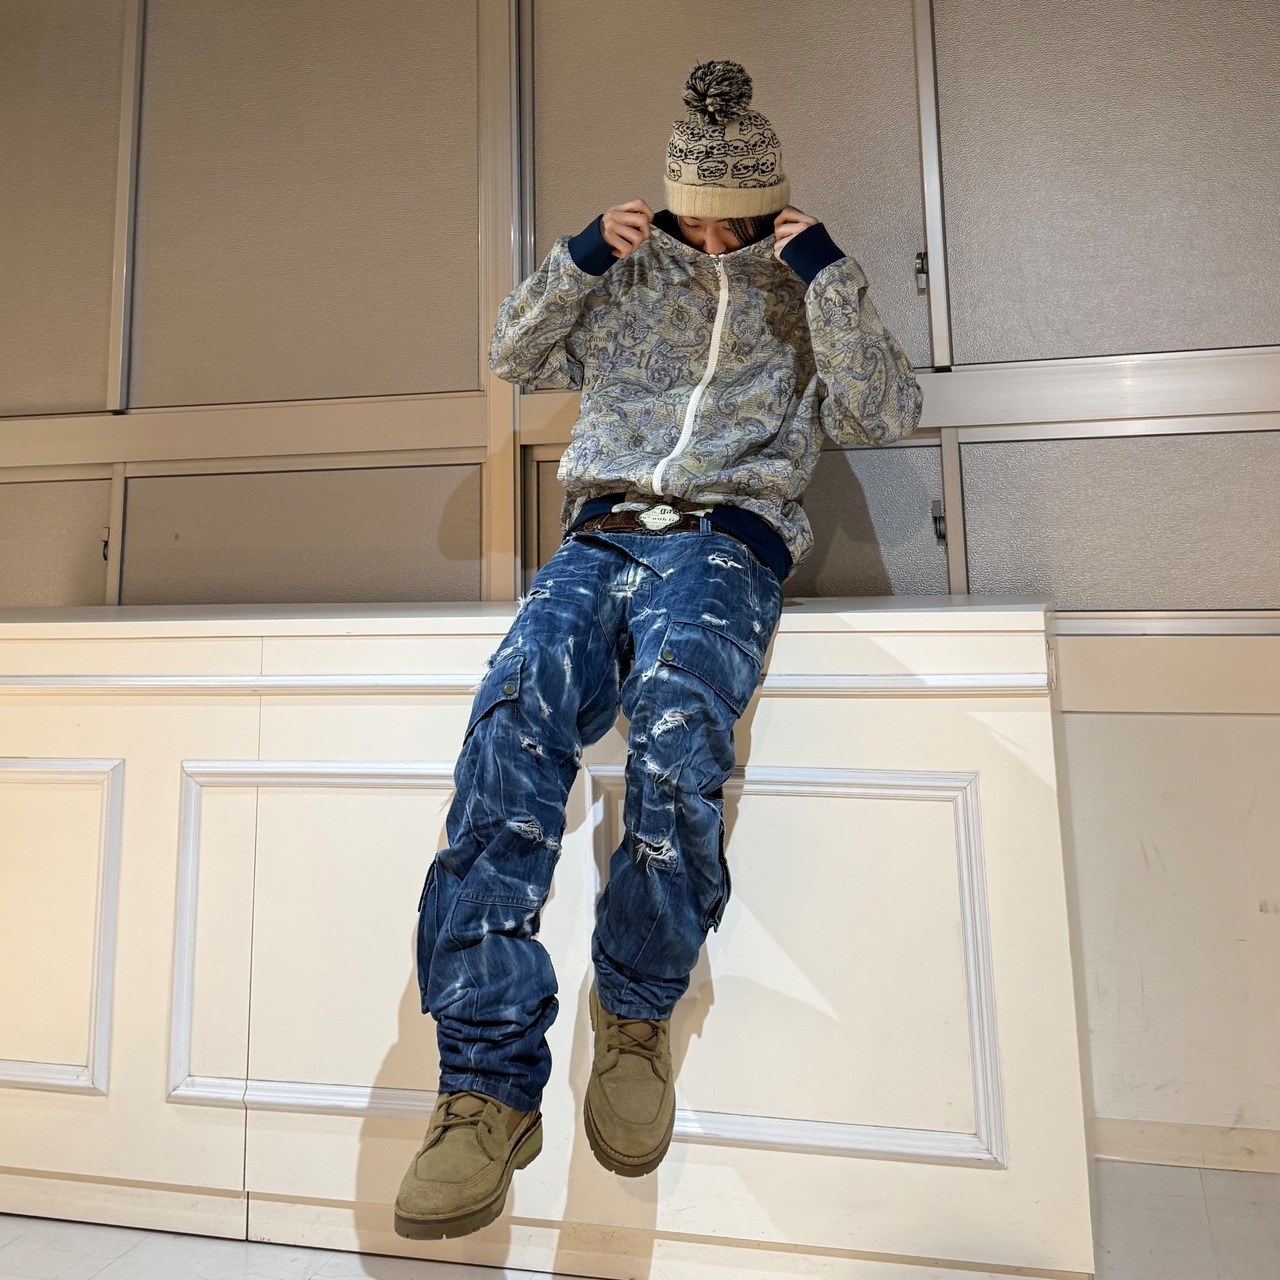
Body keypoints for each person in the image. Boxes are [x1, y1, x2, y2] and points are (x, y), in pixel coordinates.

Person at [394, 59, 922, 1241]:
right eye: (698, 215)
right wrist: (582, 255)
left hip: (725, 541)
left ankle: (634, 1017)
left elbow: (884, 410)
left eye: (736, 216)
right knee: (508, 726)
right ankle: (482, 1083)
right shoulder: (629, 268)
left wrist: (826, 277)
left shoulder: (801, 284)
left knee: (679, 738)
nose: (715, 235)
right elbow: (512, 352)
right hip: (601, 531)